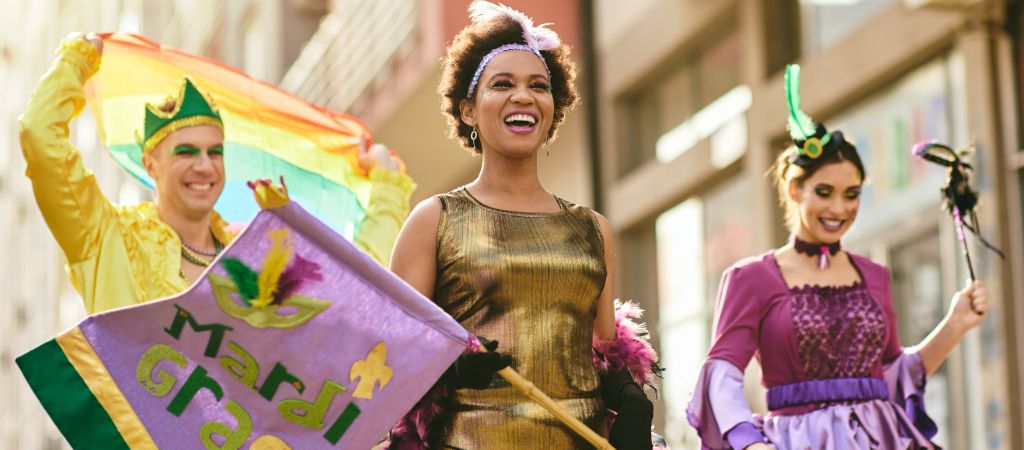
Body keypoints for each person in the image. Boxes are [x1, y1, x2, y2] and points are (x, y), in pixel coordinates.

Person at [386, 2, 657, 449]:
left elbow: (604, 351)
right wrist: (450, 368)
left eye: (538, 85)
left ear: (554, 106)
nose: (524, 97)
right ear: (469, 110)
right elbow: (392, 352)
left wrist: (627, 396)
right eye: (502, 84)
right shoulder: (434, 220)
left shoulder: (593, 229)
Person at [686, 65, 988, 449]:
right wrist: (748, 442)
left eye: (852, 194)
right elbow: (722, 374)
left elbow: (893, 378)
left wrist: (955, 324)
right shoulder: (750, 278)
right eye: (824, 191)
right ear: (795, 190)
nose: (839, 208)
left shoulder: (875, 276)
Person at [19, 33, 414, 315]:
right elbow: (40, 136)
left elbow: (356, 288)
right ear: (150, 165)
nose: (205, 166)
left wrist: (387, 186)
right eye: (186, 152)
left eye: (215, 152)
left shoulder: (254, 254)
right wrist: (77, 59)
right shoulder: (105, 238)